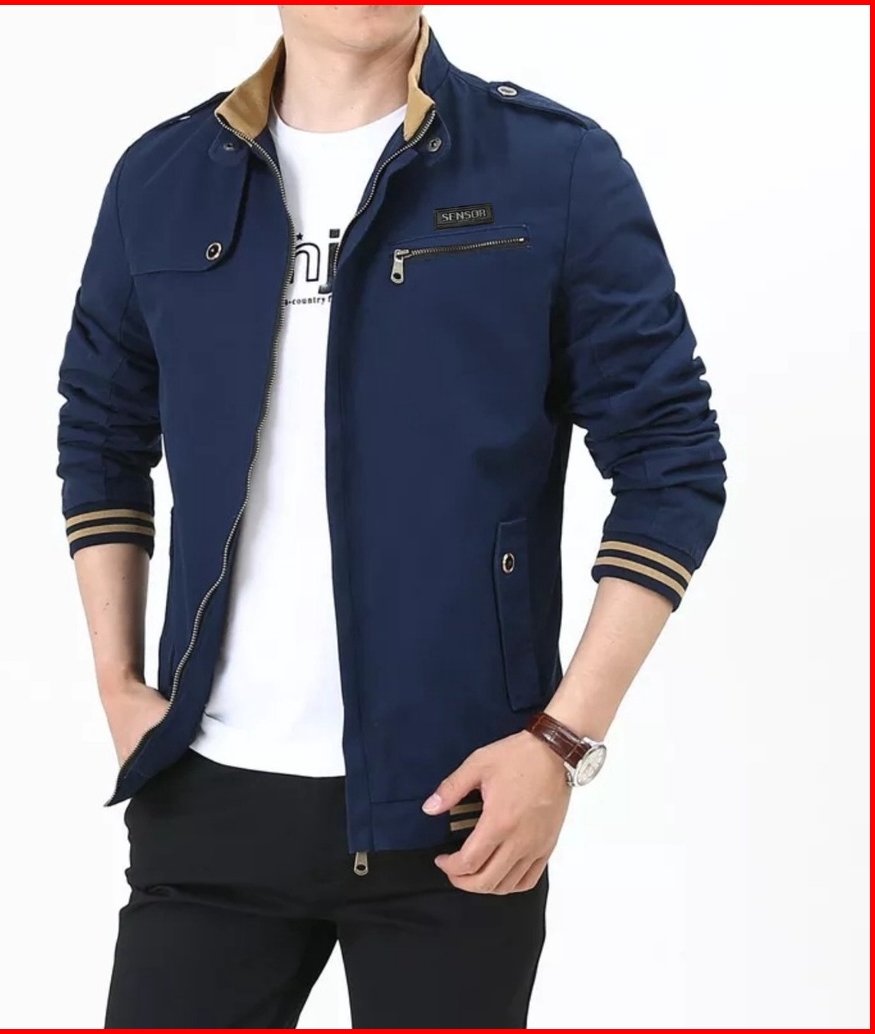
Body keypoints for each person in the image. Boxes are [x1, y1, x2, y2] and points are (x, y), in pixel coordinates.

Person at [57, 6, 726, 1028]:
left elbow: (671, 458)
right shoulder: (163, 178)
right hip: (206, 794)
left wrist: (558, 741)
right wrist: (117, 682)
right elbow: (102, 431)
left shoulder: (552, 168)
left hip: (461, 804)